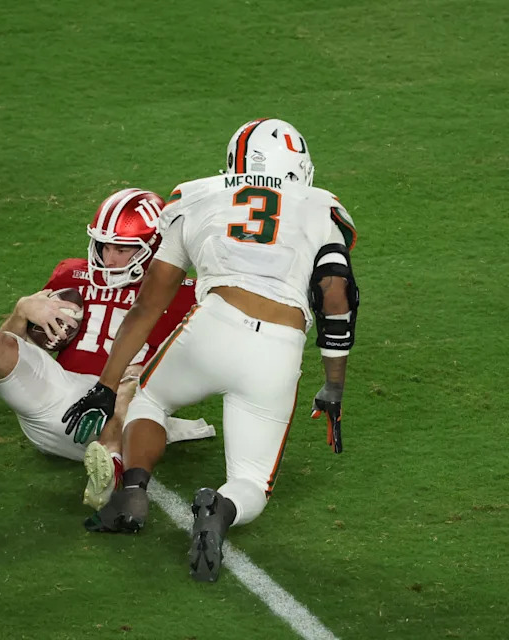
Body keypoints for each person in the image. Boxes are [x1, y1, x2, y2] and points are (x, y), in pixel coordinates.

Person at [63, 118, 359, 583]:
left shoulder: (195, 196)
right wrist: (334, 384)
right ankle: (218, 510)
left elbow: (147, 306)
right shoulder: (322, 206)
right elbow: (337, 293)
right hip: (279, 347)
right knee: (252, 480)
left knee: (150, 400)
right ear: (298, 167)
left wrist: (105, 386)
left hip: (214, 323)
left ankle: (134, 489)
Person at [0, 188, 214, 510]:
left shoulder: (185, 292)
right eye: (103, 246)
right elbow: (12, 350)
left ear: (152, 247)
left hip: (119, 417)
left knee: (135, 376)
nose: (108, 257)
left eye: (121, 249)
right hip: (56, 391)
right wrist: (21, 312)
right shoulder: (71, 274)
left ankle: (109, 465)